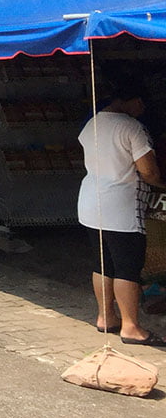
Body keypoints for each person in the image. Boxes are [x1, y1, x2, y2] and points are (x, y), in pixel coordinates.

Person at [77, 81, 166, 346]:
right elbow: (148, 171)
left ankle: (106, 317)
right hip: (121, 206)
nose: (143, 108)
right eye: (142, 102)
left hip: (91, 202)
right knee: (128, 267)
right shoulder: (131, 127)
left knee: (102, 263)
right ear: (132, 99)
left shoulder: (92, 123)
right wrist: (161, 184)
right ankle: (131, 327)